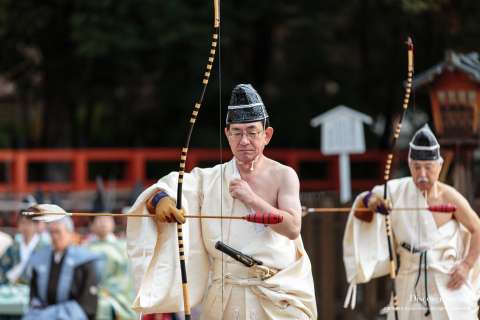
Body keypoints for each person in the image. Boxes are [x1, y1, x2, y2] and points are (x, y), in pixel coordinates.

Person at [127, 84, 317, 319]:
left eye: (252, 131)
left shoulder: (283, 175)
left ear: (266, 135)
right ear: (227, 134)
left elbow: (292, 227)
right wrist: (160, 200)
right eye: (237, 132)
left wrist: (252, 198)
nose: (244, 140)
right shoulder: (210, 179)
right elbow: (168, 188)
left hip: (277, 291)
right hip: (226, 293)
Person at [343, 124, 480, 319]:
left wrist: (466, 265)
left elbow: (477, 228)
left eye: (428, 167)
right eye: (417, 167)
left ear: (439, 166)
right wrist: (372, 202)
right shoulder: (397, 191)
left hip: (447, 278)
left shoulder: (450, 197)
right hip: (409, 277)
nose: (422, 173)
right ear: (409, 165)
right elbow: (367, 199)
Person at [23, 204, 100, 320]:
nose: (54, 237)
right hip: (42, 314)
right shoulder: (40, 259)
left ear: (70, 234)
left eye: (58, 232)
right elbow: (34, 295)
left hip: (72, 315)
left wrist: (57, 314)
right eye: (51, 233)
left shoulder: (84, 261)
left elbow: (87, 303)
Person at [86, 216, 136, 320]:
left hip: (117, 294)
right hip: (91, 294)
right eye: (99, 219)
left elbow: (126, 275)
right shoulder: (86, 247)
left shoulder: (123, 246)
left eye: (106, 219)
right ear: (92, 226)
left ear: (113, 224)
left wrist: (107, 292)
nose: (103, 222)